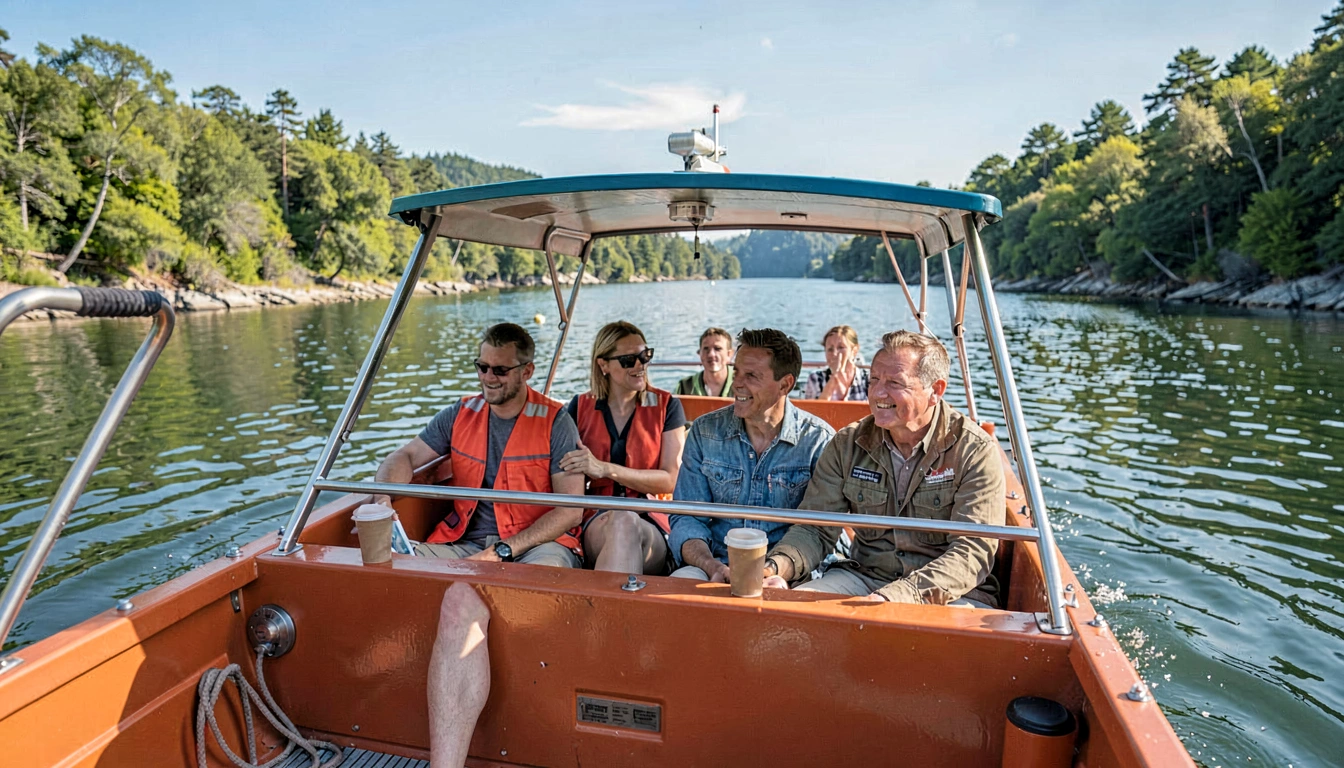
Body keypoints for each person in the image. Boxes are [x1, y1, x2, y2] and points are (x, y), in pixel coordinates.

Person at [763, 331, 1005, 607]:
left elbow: (972, 551)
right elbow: (815, 530)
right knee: (792, 611)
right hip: (865, 578)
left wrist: (899, 596)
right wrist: (776, 566)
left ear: (935, 391)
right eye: (874, 379)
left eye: (894, 383)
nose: (877, 392)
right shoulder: (847, 444)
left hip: (953, 592)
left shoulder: (973, 450)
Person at [373, 322, 584, 567]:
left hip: (538, 546)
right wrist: (382, 500)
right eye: (482, 367)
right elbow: (405, 456)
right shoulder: (458, 414)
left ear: (527, 372)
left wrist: (500, 551)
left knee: (537, 577)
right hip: (465, 545)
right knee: (398, 566)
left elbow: (571, 510)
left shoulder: (557, 422)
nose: (488, 377)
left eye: (500, 370)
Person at [668, 328, 834, 581]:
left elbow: (818, 530)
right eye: (736, 372)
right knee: (677, 592)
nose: (736, 383)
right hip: (714, 562)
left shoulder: (817, 441)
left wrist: (774, 570)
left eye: (751, 376)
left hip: (793, 570)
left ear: (785, 384)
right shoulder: (705, 432)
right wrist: (711, 565)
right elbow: (687, 517)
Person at [561, 321, 687, 574]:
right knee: (620, 521)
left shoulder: (667, 406)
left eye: (645, 356)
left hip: (653, 521)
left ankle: (606, 611)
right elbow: (564, 470)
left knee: (625, 521)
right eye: (629, 359)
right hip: (596, 520)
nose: (640, 365)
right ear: (603, 364)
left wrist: (605, 469)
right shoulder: (578, 408)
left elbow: (670, 480)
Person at [802, 325, 870, 401]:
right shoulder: (816, 378)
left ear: (854, 350)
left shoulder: (868, 379)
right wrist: (834, 378)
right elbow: (814, 410)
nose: (835, 353)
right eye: (830, 349)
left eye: (841, 347)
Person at [674, 327, 735, 397]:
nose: (711, 354)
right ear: (699, 353)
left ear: (729, 354)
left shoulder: (744, 383)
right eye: (706, 349)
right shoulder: (685, 387)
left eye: (717, 348)